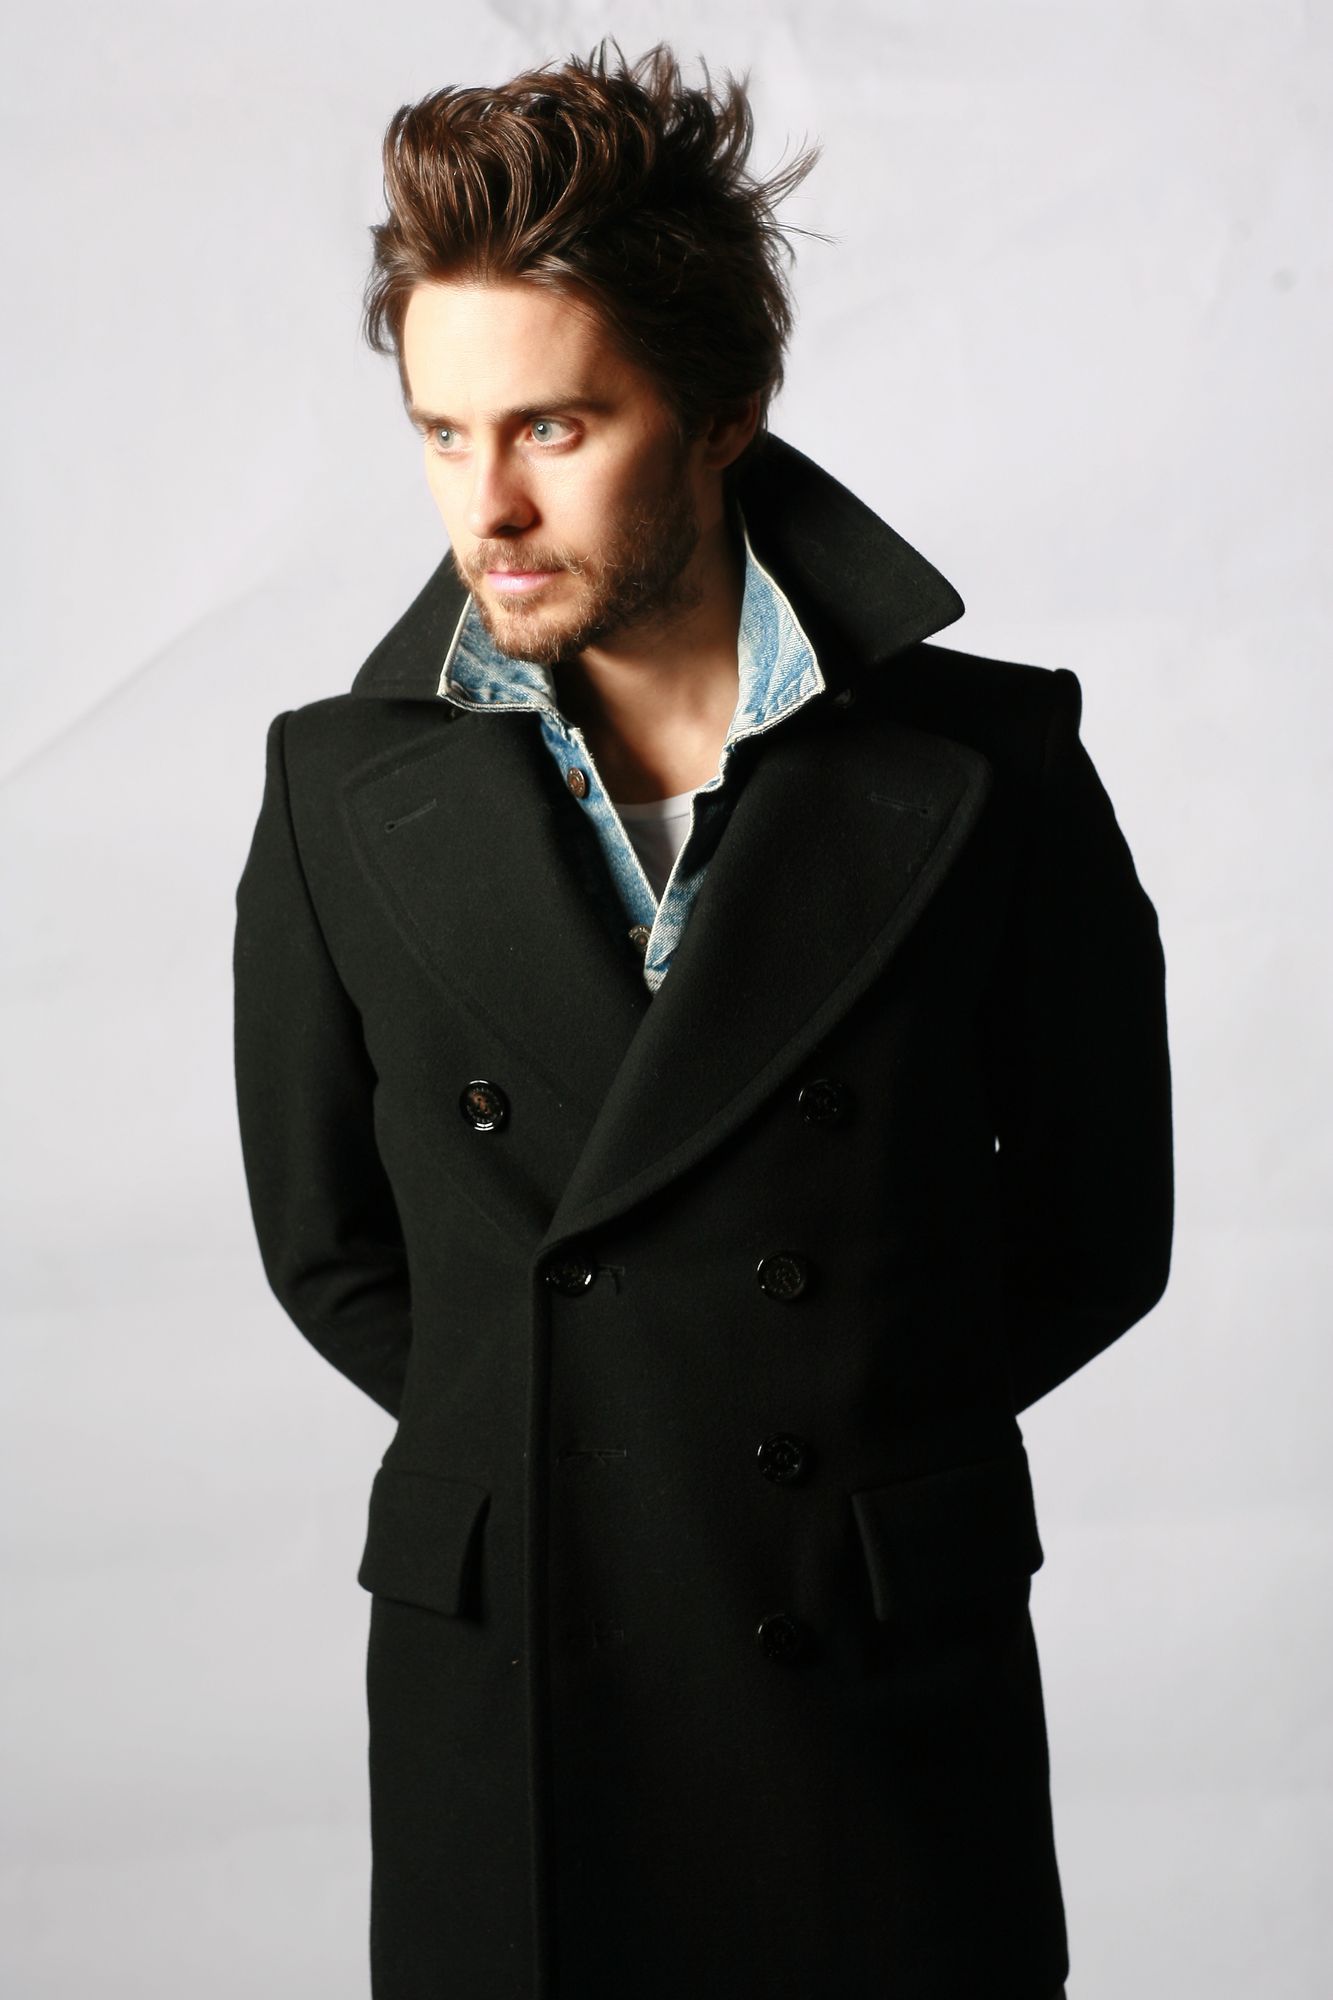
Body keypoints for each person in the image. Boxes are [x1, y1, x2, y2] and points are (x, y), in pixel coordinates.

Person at [232, 38, 1170, 2000]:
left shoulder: (986, 765)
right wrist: (574, 1434)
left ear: (725, 407)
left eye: (555, 427)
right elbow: (330, 1248)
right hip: (519, 1659)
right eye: (440, 433)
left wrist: (841, 1421)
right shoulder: (334, 787)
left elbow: (1100, 1227)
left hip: (860, 1649)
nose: (487, 507)